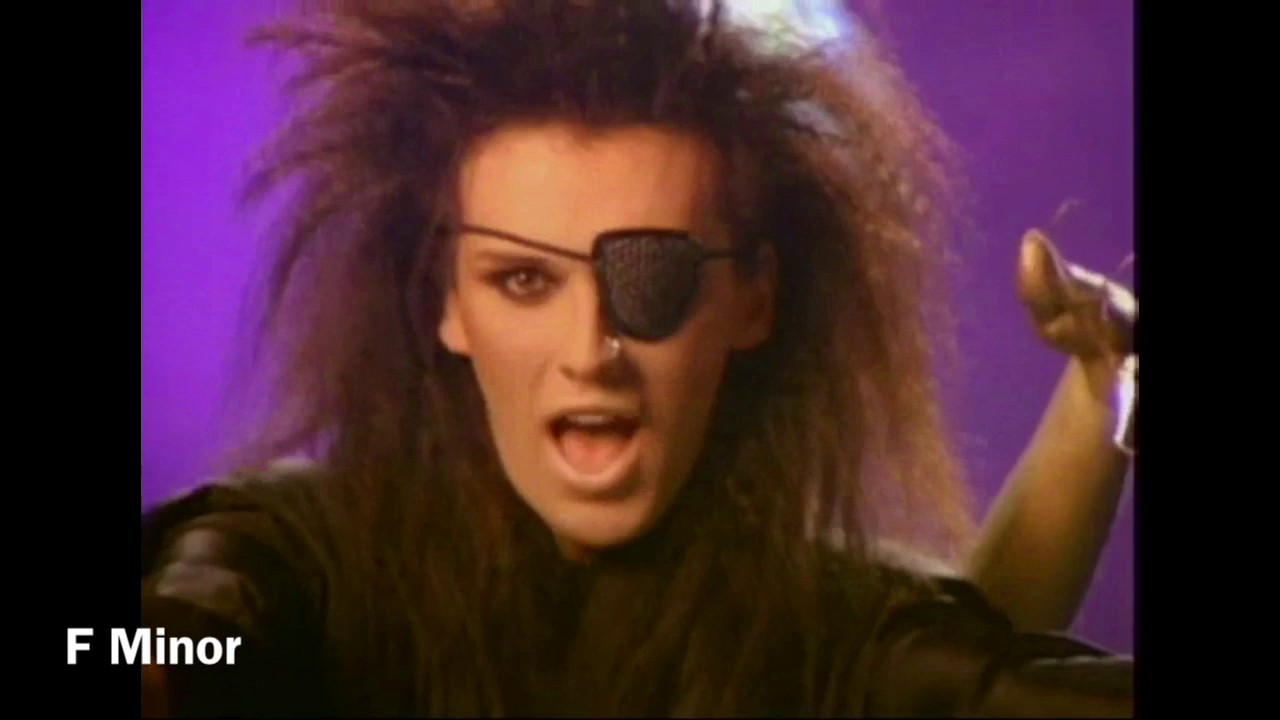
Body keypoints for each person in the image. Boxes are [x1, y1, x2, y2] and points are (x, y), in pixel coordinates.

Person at [141, 1, 1135, 716]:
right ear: (447, 301)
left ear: (753, 299)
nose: (592, 353)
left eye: (650, 279)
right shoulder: (298, 564)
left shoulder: (836, 634)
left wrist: (1104, 397)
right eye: (524, 280)